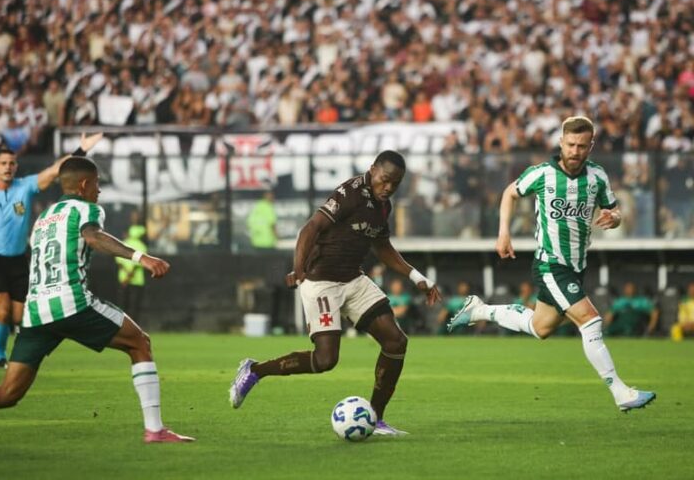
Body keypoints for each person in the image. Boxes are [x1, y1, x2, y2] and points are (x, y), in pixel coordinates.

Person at [0, 157, 194, 443]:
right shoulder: (87, 209)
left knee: (8, 393)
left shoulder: (44, 218)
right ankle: (155, 430)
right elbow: (92, 237)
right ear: (84, 185)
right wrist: (141, 257)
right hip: (71, 302)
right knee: (140, 343)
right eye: (97, 184)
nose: (99, 191)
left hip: (36, 310)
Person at [448, 116, 656, 412]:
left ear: (591, 146)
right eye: (570, 144)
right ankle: (621, 392)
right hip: (550, 264)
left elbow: (614, 210)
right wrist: (503, 232)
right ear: (561, 142)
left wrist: (615, 218)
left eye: (582, 146)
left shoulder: (597, 177)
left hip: (576, 266)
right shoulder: (543, 174)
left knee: (540, 327)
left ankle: (479, 310)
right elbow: (509, 193)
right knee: (591, 320)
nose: (575, 151)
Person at [229, 150, 441, 435]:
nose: (388, 187)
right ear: (373, 169)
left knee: (395, 342)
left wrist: (417, 277)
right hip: (322, 282)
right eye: (385, 180)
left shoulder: (383, 206)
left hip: (353, 279)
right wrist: (299, 270)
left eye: (395, 183)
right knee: (326, 360)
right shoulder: (350, 193)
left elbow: (383, 248)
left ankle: (375, 419)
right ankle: (254, 371)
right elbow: (310, 228)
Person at [0, 133, 103, 368]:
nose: (8, 167)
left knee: (19, 316)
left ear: (16, 166)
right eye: (3, 163)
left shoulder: (25, 187)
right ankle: (0, 357)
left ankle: (14, 349)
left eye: (12, 163)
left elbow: (55, 170)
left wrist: (80, 150)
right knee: (1, 312)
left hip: (20, 260)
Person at [115, 214, 147, 321]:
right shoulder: (142, 246)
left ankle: (122, 326)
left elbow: (119, 263)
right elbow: (137, 265)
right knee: (133, 307)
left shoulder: (123, 244)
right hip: (136, 281)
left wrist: (126, 277)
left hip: (123, 280)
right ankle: (133, 328)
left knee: (123, 306)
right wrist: (129, 276)